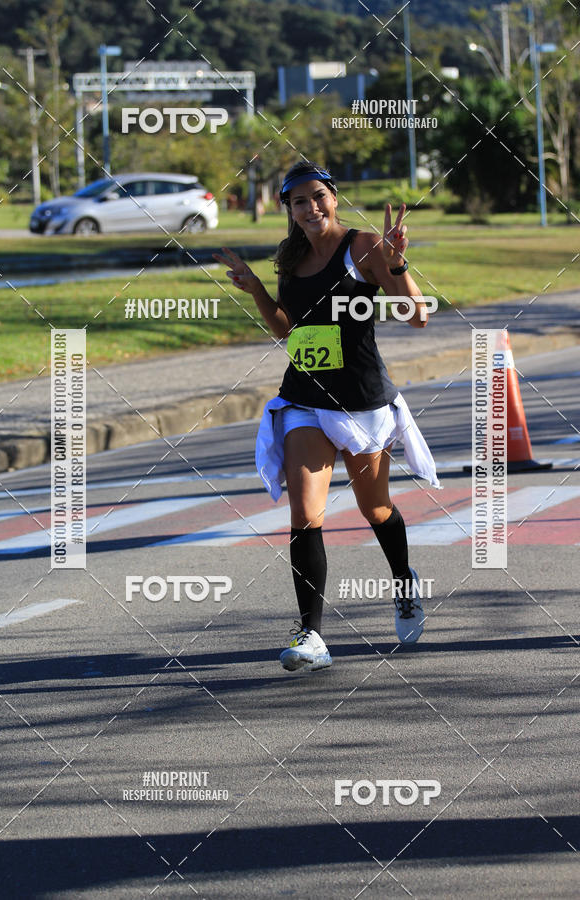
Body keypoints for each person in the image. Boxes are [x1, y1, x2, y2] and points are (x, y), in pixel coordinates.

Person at [213, 161, 440, 673]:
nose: (311, 208)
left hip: (361, 401)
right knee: (304, 514)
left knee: (375, 510)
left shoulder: (361, 247)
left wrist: (398, 264)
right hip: (304, 400)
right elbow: (286, 330)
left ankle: (404, 581)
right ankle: (312, 633)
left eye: (319, 197)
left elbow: (418, 315)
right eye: (299, 201)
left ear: (333, 198)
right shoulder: (290, 255)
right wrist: (255, 290)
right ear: (288, 209)